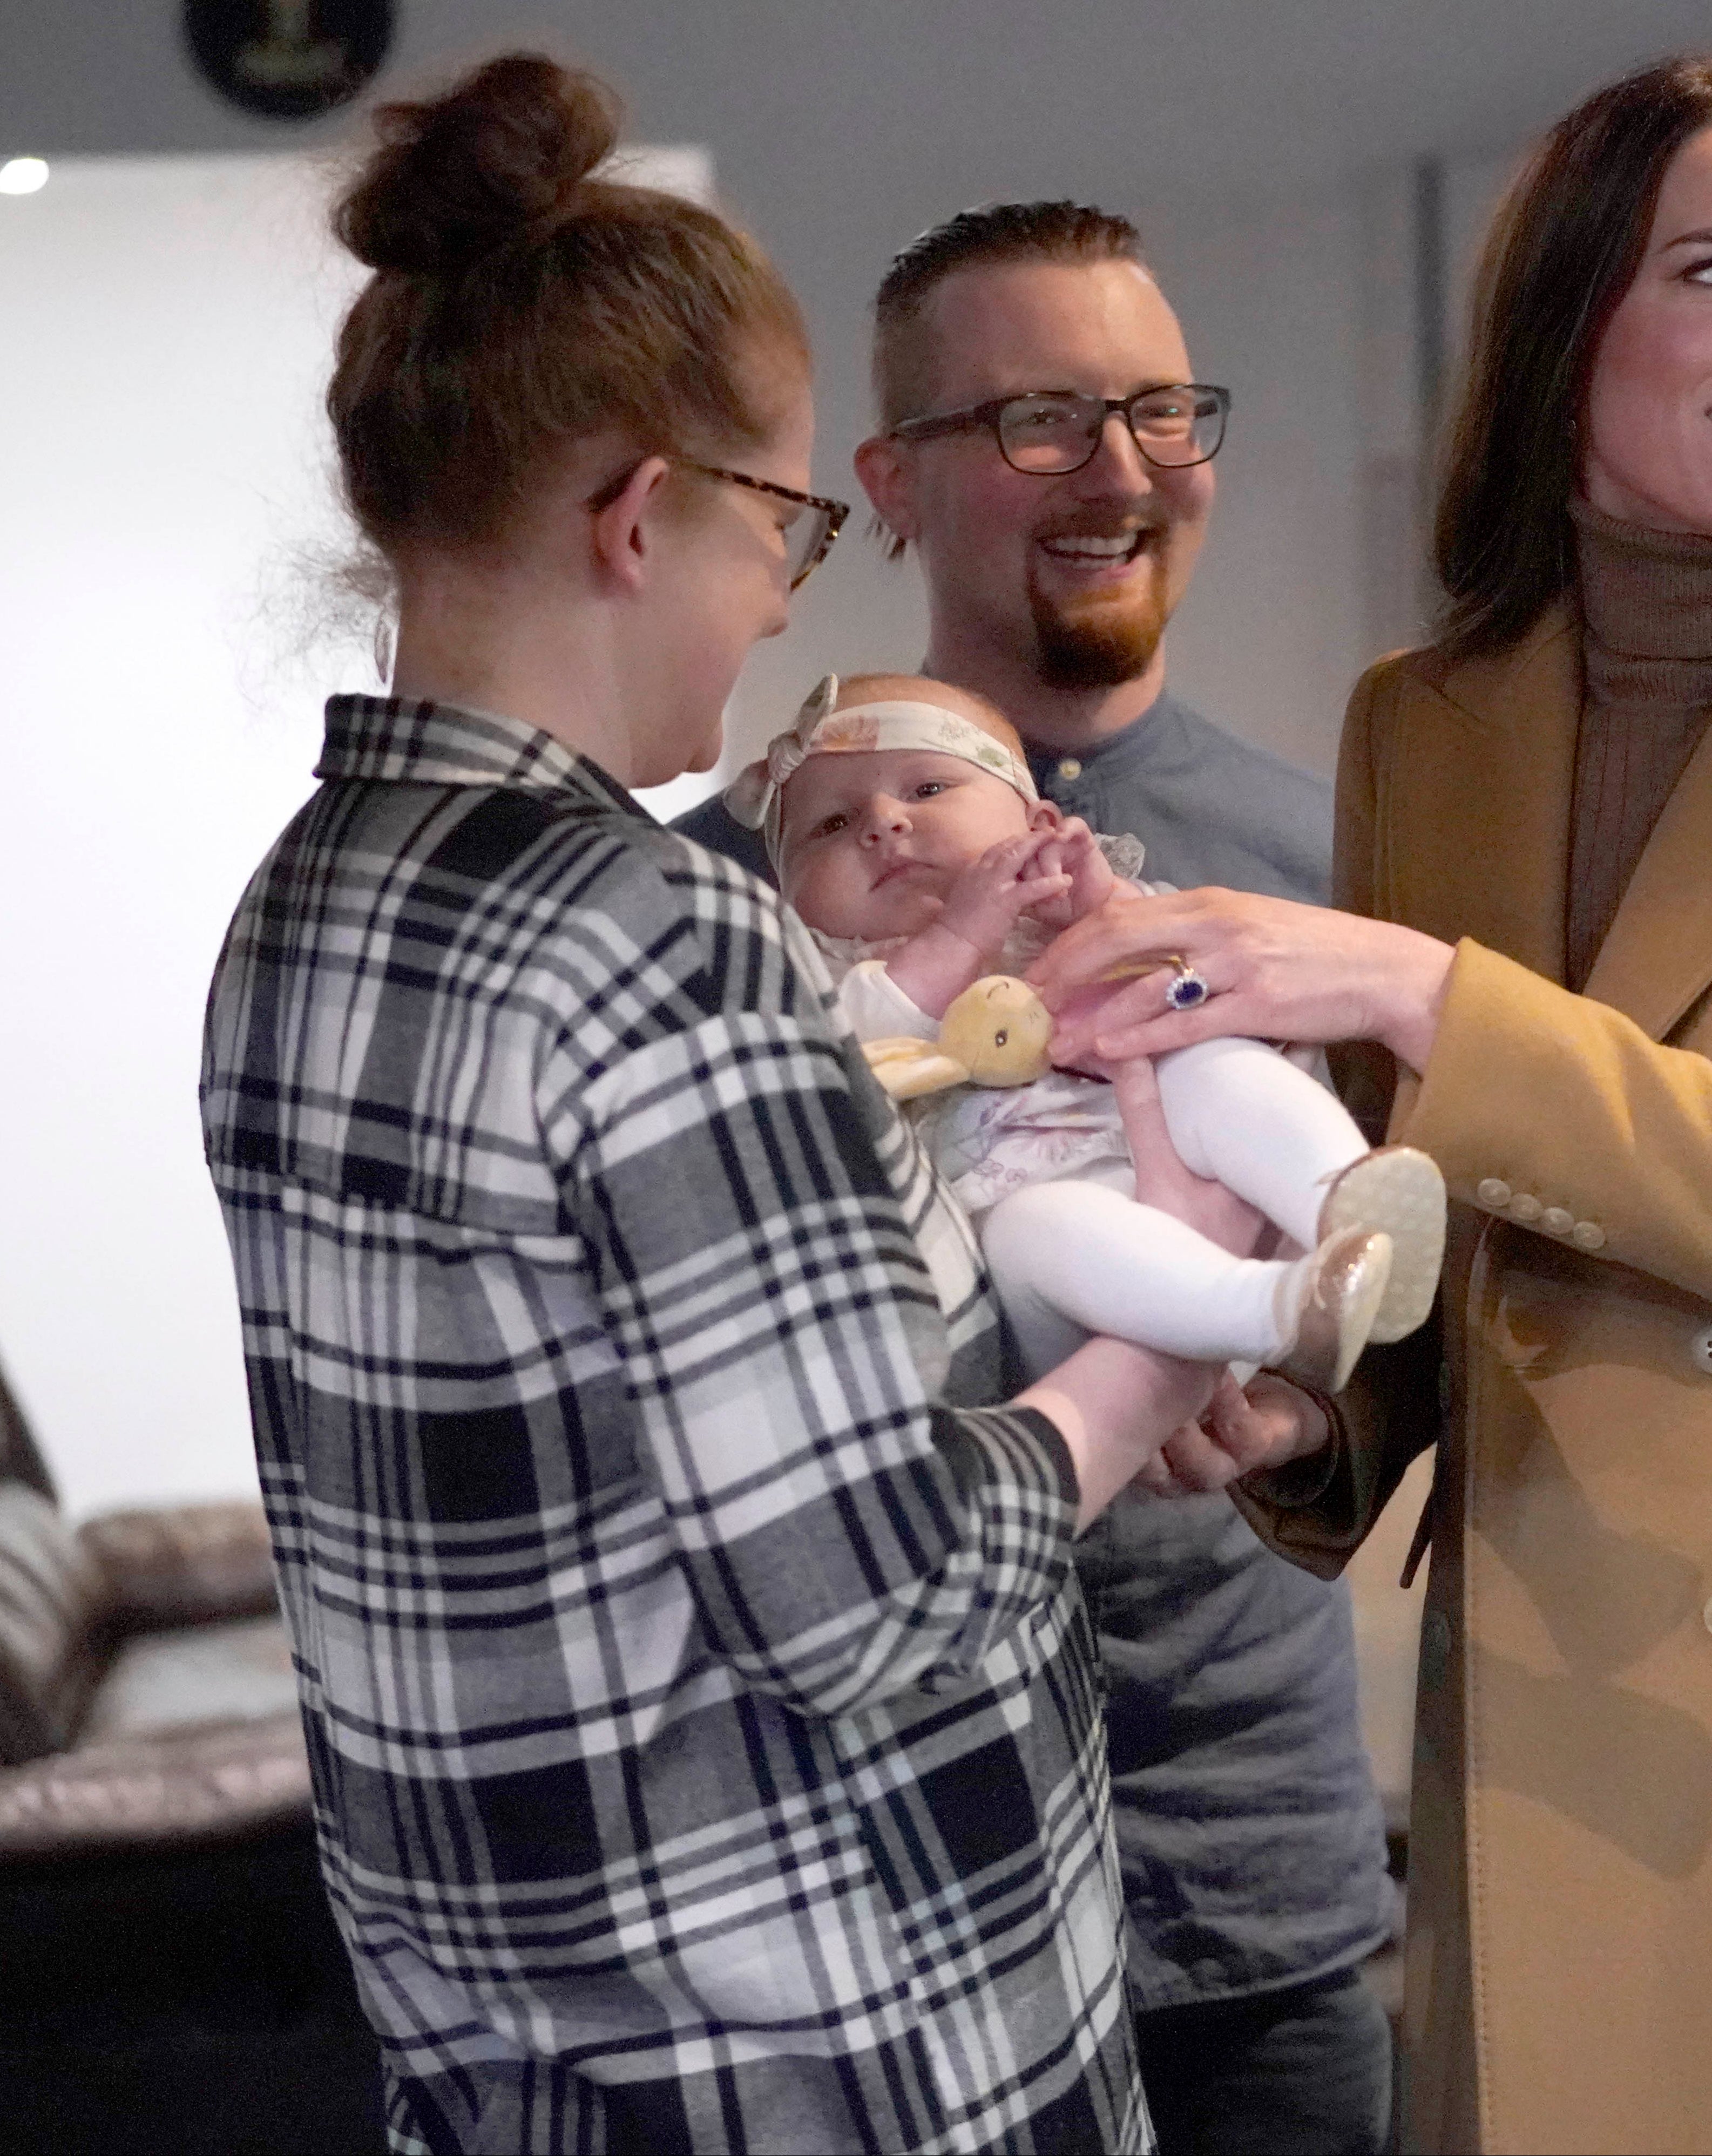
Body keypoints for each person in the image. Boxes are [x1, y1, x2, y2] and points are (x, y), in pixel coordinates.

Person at [1026, 54, 1712, 2153]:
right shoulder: (1430, 723)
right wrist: (1311, 1405)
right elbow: (1445, 1244)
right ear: (1567, 330)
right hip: (1545, 1682)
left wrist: (1418, 984)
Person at [199, 56, 1228, 2152]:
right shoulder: (665, 935)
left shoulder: (292, 914)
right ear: (639, 513)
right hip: (840, 2058)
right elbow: (881, 1596)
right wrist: (1146, 1358)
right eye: (780, 524)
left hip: (509, 2065)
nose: (783, 599)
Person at [676, 202, 1393, 2156]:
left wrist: (1302, 1403)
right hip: (882, 1880)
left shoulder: (1322, 857)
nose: (1123, 474)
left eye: (1164, 413)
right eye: (1042, 421)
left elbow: (1435, 1329)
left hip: (1257, 1870)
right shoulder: (735, 900)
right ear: (889, 486)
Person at [727, 668, 1446, 1387]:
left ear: (1037, 826)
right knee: (1030, 1230)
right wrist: (954, 939)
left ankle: (1347, 1210)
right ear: (786, 900)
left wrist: (1112, 917)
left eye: (928, 789)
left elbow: (1210, 991)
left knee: (1215, 1066)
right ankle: (1277, 1311)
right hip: (1076, 1306)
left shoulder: (1091, 910)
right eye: (830, 825)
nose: (883, 822)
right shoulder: (818, 988)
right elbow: (849, 1073)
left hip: (1216, 1193)